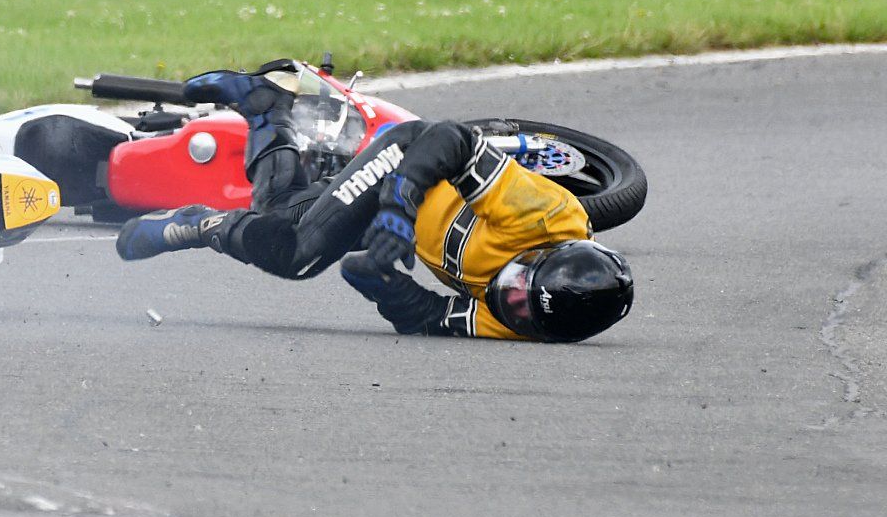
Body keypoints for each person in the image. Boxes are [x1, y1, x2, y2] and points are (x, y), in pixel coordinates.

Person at [114, 64, 634, 342]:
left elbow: (428, 317)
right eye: (522, 284)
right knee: (298, 255)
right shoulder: (543, 215)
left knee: (280, 220)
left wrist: (382, 283)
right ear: (543, 254)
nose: (508, 297)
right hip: (413, 164)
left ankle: (266, 111)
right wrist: (399, 207)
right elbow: (449, 139)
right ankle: (200, 226)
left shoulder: (530, 321)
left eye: (519, 310)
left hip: (403, 225)